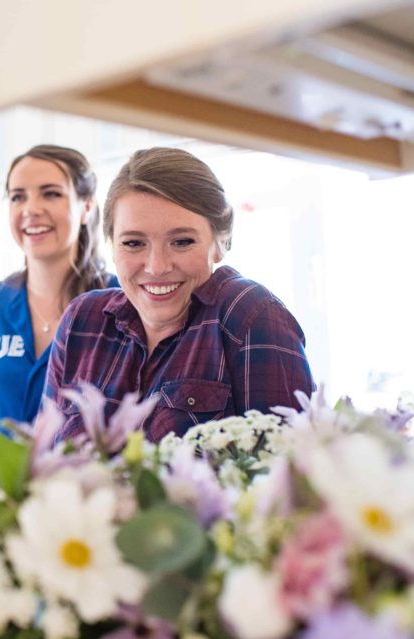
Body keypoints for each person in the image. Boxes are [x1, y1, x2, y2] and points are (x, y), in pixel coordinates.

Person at [45, 146, 314, 443]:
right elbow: (44, 463)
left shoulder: (250, 316)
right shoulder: (81, 321)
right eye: (134, 243)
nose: (157, 267)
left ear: (221, 241)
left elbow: (285, 474)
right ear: (111, 244)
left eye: (182, 241)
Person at [0, 144, 118, 487]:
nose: (31, 210)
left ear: (85, 206)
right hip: (5, 506)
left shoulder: (117, 304)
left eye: (51, 194)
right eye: (17, 197)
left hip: (83, 508)